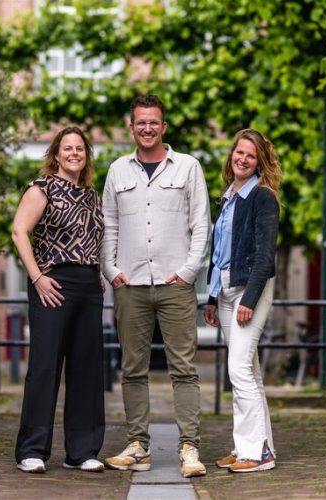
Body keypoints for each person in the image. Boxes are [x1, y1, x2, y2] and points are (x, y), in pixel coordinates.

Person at [101, 94, 211, 478]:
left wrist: (187, 271)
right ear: (131, 128)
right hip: (129, 284)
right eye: (140, 122)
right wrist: (111, 271)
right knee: (133, 369)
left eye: (154, 122)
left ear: (164, 127)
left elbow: (201, 225)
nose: (147, 128)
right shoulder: (117, 171)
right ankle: (138, 446)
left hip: (175, 284)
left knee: (184, 368)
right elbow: (108, 226)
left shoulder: (188, 167)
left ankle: (189, 448)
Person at [12, 126, 106, 474]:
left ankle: (81, 452)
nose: (74, 153)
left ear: (86, 155)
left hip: (88, 286)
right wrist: (37, 277)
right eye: (67, 148)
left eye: (79, 148)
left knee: (87, 370)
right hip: (51, 282)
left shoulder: (92, 196)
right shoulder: (42, 188)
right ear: (56, 153)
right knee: (45, 366)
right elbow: (19, 231)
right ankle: (31, 450)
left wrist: (98, 275)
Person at [203, 129, 281, 473]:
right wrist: (211, 296)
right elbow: (219, 251)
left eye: (251, 155)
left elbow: (265, 256)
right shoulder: (228, 195)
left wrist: (249, 297)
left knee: (238, 370)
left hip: (251, 290)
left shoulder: (263, 197)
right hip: (225, 291)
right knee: (248, 371)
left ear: (259, 162)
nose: (243, 159)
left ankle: (257, 454)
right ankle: (252, 446)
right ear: (231, 155)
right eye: (239, 153)